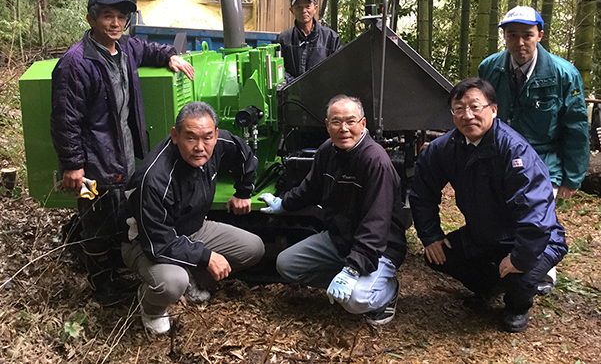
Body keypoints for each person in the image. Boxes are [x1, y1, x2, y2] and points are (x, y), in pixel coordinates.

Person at [51, 0, 195, 306]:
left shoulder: (125, 48)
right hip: (90, 167)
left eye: (121, 17)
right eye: (107, 16)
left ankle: (114, 273)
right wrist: (73, 165)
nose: (115, 23)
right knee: (95, 222)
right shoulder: (75, 63)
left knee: (118, 217)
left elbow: (148, 49)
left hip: (122, 157)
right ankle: (102, 288)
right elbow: (64, 119)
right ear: (91, 18)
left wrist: (169, 55)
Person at [409, 77, 568, 333]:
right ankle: (490, 287)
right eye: (459, 109)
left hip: (534, 238)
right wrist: (431, 235)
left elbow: (536, 214)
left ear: (493, 109)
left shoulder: (514, 150)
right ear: (452, 114)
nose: (467, 115)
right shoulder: (444, 148)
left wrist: (518, 258)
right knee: (437, 256)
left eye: (475, 106)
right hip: (482, 234)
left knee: (521, 271)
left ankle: (517, 305)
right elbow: (421, 193)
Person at [259, 95, 407, 326]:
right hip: (340, 238)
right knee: (286, 264)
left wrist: (353, 269)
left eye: (351, 121)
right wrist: (283, 204)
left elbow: (376, 224)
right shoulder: (328, 150)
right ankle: (350, 275)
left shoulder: (375, 162)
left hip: (380, 248)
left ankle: (387, 290)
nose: (344, 128)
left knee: (356, 301)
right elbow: (310, 188)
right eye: (336, 122)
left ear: (363, 124)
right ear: (327, 125)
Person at [121, 101, 265, 335]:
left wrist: (244, 192)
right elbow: (158, 245)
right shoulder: (154, 179)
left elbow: (245, 155)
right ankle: (151, 306)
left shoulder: (218, 143)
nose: (200, 147)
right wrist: (206, 256)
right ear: (175, 136)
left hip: (192, 228)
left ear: (216, 134)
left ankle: (190, 277)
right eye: (190, 138)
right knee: (171, 283)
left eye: (207, 137)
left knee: (253, 248)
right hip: (145, 242)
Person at [478, 6, 589, 201]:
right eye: (512, 35)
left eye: (527, 35)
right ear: (504, 36)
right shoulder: (489, 68)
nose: (520, 43)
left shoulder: (564, 75)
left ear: (540, 35)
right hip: (497, 163)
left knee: (535, 226)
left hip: (544, 166)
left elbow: (576, 128)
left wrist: (572, 179)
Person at [276, 0, 342, 82]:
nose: (303, 11)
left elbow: (338, 68)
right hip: (292, 94)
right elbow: (279, 69)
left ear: (315, 8)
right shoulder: (283, 39)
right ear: (291, 10)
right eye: (298, 7)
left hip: (322, 94)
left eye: (307, 6)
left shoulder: (331, 38)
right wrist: (294, 84)